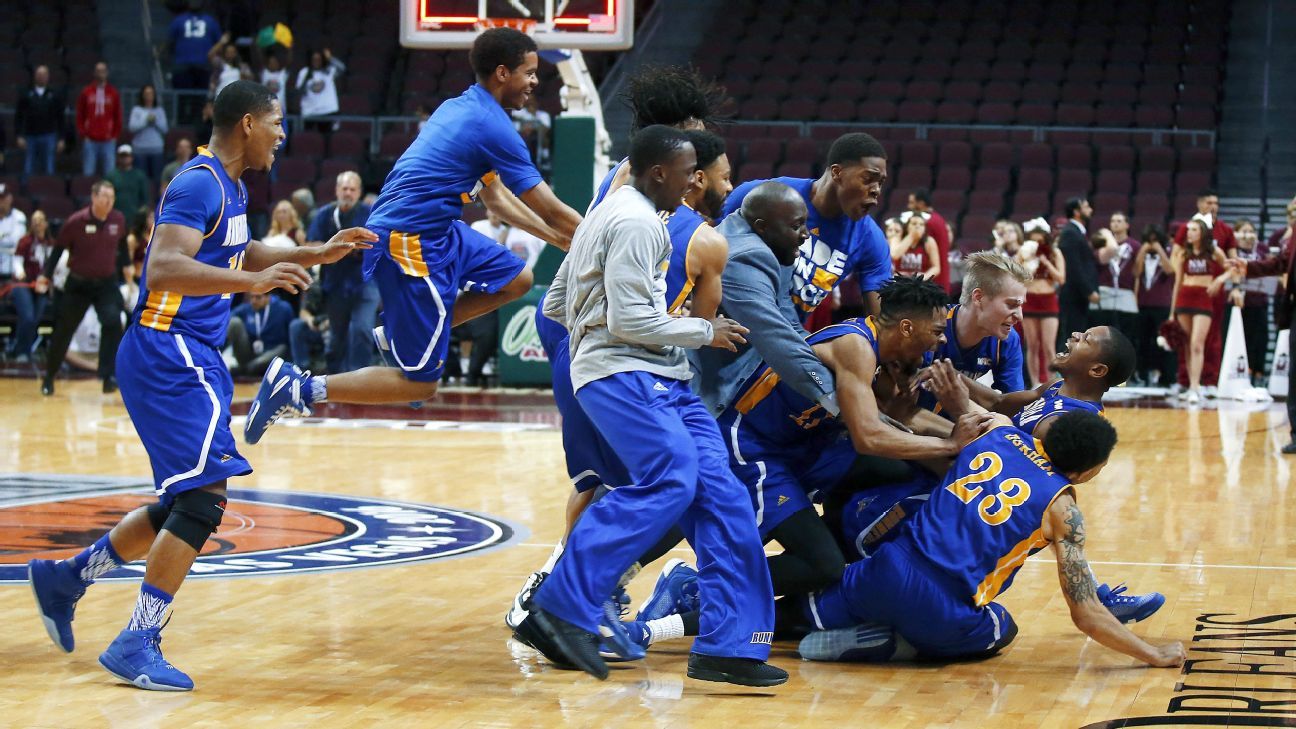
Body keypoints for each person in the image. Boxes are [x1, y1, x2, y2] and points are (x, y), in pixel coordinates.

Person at [27, 80, 377, 692]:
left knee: (182, 501)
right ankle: (138, 639)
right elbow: (163, 265)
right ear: (246, 123)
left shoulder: (231, 187)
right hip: (168, 349)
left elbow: (245, 251)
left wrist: (318, 252)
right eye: (276, 123)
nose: (283, 135)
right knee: (203, 499)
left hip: (187, 352)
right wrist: (250, 287)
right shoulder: (199, 182)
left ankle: (68, 579)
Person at [517, 125, 786, 687]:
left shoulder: (614, 210)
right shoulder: (639, 222)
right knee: (670, 478)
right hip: (626, 371)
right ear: (659, 172)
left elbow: (559, 299)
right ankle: (563, 603)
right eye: (690, 171)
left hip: (659, 373)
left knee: (723, 494)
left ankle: (732, 646)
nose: (696, 181)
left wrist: (623, 336)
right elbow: (628, 321)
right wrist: (699, 331)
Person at [244, 28, 582, 442]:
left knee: (519, 280)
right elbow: (548, 206)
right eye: (528, 73)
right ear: (501, 73)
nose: (535, 82)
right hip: (411, 238)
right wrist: (596, 240)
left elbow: (495, 200)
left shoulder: (460, 107)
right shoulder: (491, 125)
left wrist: (560, 238)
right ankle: (300, 386)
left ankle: (400, 334)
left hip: (439, 229)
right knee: (421, 384)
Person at [506, 65, 732, 631]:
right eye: (694, 139)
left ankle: (580, 591)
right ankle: (555, 595)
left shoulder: (655, 187)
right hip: (593, 341)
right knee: (627, 482)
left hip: (599, 336)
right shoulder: (636, 191)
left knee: (635, 481)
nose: (699, 157)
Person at [794, 410, 1186, 669]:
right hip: (944, 609)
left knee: (789, 619)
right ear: (1086, 472)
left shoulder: (998, 432)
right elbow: (1086, 614)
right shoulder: (1063, 510)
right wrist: (1152, 654)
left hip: (883, 569)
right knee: (1002, 627)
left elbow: (962, 412)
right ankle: (892, 645)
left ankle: (755, 635)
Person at [723, 133, 893, 321]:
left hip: (783, 333)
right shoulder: (765, 195)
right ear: (837, 173)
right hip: (728, 318)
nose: (876, 189)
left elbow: (881, 323)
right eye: (869, 178)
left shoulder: (871, 240)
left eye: (881, 182)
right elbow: (707, 240)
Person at [35, 181, 128, 395]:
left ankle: (107, 376)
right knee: (64, 330)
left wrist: (127, 265)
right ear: (94, 197)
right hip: (79, 283)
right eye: (105, 196)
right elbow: (58, 249)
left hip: (106, 283)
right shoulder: (76, 221)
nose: (109, 201)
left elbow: (122, 244)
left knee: (113, 322)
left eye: (112, 197)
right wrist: (46, 276)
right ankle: (49, 377)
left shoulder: (118, 219)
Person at [305, 171, 376, 374]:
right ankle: (335, 377)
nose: (348, 193)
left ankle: (360, 377)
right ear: (336, 190)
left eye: (352, 189)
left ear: (359, 192)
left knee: (362, 329)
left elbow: (376, 243)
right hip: (335, 283)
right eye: (344, 188)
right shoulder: (324, 214)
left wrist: (340, 248)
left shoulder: (369, 213)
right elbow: (311, 244)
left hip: (365, 282)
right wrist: (343, 248)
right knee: (337, 335)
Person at [1169, 217, 1231, 404]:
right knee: (1187, 345)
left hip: (1203, 300)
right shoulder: (1183, 253)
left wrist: (1219, 280)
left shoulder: (1214, 251)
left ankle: (1196, 388)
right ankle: (1192, 386)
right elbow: (1177, 283)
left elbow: (1232, 268)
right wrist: (1172, 313)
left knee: (1197, 343)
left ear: (1202, 233)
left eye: (1194, 230)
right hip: (1184, 298)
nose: (1189, 233)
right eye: (1188, 230)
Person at [1019, 217, 1066, 387]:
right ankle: (1034, 383)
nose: (1037, 244)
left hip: (1048, 300)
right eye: (1034, 240)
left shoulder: (1055, 253)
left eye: (1040, 240)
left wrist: (1045, 261)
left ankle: (1053, 383)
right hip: (1030, 299)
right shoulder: (1023, 252)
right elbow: (1016, 276)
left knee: (1048, 346)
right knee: (1032, 345)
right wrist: (1028, 260)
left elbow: (1061, 278)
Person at [1227, 219, 1273, 384]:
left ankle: (1257, 374)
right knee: (1240, 338)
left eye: (1251, 231)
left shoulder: (1262, 249)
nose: (1248, 235)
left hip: (1259, 301)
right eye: (1243, 231)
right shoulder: (1232, 250)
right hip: (1238, 303)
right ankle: (1235, 373)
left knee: (1260, 340)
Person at [1132, 225, 1177, 387]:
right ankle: (1142, 374)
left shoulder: (1169, 254)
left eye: (1154, 240)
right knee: (1143, 341)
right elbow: (1136, 273)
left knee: (1163, 341)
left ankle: (1166, 375)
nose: (1151, 243)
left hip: (1162, 304)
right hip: (1143, 304)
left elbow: (1170, 270)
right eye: (1148, 241)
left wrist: (1159, 250)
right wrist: (1143, 251)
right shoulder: (1141, 256)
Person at [8, 210, 54, 361]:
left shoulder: (51, 243)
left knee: (35, 318)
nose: (37, 223)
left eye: (40, 220)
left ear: (46, 223)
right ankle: (21, 352)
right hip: (23, 285)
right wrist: (21, 273)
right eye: (34, 220)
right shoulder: (25, 241)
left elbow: (53, 266)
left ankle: (26, 350)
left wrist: (46, 281)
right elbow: (17, 262)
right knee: (27, 316)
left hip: (42, 287)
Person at [167, 0, 222, 123]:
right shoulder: (210, 21)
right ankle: (184, 122)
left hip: (197, 65)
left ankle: (194, 122)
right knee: (186, 97)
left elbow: (171, 42)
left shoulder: (179, 20)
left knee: (196, 98)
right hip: (187, 65)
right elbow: (219, 42)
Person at [1057, 197, 1099, 352]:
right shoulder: (1070, 233)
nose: (1090, 210)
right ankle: (1064, 372)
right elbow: (1073, 267)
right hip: (1074, 294)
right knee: (1071, 335)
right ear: (1076, 212)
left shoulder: (1077, 232)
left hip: (1078, 295)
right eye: (1086, 206)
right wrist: (1089, 290)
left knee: (1077, 333)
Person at [1089, 212, 1139, 338]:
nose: (1115, 224)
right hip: (1104, 292)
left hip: (1125, 293)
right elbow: (1104, 258)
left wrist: (1136, 295)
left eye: (1119, 221)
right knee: (1102, 336)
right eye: (1112, 221)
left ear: (1127, 225)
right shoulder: (1101, 244)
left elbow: (1137, 271)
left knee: (1125, 335)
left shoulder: (1134, 246)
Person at [226, 290, 295, 375]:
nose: (254, 301)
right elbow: (227, 318)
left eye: (258, 297)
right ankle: (217, 359)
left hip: (273, 350)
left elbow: (291, 338)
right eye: (252, 297)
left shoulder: (284, 308)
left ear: (268, 297)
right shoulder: (246, 308)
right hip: (250, 352)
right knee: (234, 322)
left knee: (281, 349)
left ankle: (245, 369)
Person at [15, 65, 66, 178]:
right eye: (39, 74)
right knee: (28, 167)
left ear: (48, 77)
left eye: (44, 74)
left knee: (49, 167)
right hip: (30, 136)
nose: (41, 77)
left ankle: (50, 191)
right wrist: (19, 135)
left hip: (49, 136)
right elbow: (18, 116)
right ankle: (26, 191)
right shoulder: (26, 94)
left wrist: (61, 138)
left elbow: (60, 118)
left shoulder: (54, 95)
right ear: (35, 76)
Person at [76, 62, 122, 178]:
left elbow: (118, 116)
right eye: (98, 71)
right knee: (88, 173)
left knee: (109, 174)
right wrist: (83, 134)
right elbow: (80, 115)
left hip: (108, 140)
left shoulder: (113, 93)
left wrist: (115, 135)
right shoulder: (86, 92)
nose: (100, 73)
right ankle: (87, 195)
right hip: (90, 139)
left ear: (107, 73)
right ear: (94, 73)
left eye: (103, 71)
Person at [907, 188, 951, 292]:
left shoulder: (928, 223)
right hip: (941, 278)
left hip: (932, 282)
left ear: (921, 204)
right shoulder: (938, 219)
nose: (909, 206)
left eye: (912, 203)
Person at [296, 48, 345, 132]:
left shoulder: (328, 70)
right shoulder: (304, 72)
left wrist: (330, 58)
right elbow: (299, 92)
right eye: (314, 59)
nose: (316, 61)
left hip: (328, 111)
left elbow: (342, 68)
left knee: (328, 139)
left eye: (319, 59)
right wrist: (306, 79)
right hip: (310, 112)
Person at [105, 145, 152, 229]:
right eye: (122, 156)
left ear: (132, 157)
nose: (125, 158)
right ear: (118, 158)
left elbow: (145, 198)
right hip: (114, 217)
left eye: (127, 156)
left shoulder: (139, 175)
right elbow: (106, 197)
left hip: (134, 218)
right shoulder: (110, 176)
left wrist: (141, 215)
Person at [128, 85, 169, 183]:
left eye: (151, 93)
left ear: (154, 95)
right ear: (142, 95)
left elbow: (165, 129)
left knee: (157, 180)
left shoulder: (159, 110)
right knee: (141, 180)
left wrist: (155, 121)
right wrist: (146, 121)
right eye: (146, 93)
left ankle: (157, 198)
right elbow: (132, 127)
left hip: (156, 149)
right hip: (140, 150)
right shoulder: (137, 110)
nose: (148, 96)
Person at [891, 211, 941, 280]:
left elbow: (936, 268)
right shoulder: (897, 237)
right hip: (899, 281)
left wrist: (923, 277)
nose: (918, 226)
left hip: (920, 283)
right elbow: (895, 255)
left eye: (921, 224)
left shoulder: (929, 241)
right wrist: (911, 236)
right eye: (914, 224)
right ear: (907, 226)